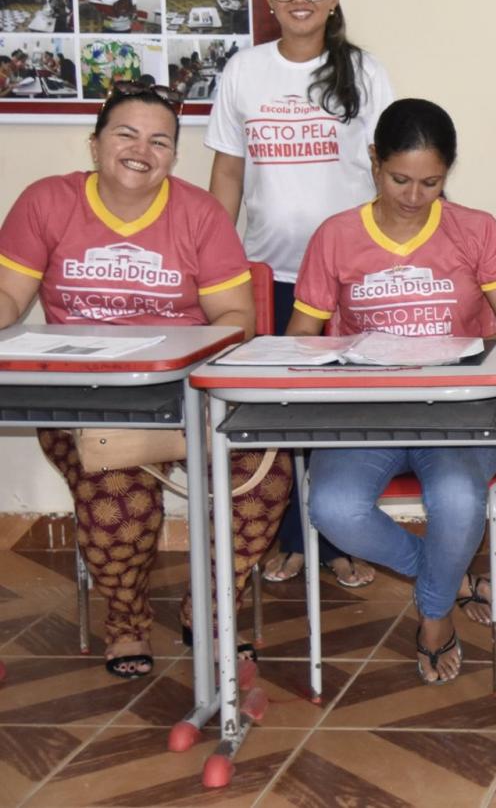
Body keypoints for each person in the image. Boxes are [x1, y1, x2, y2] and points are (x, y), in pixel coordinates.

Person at [0, 83, 290, 679]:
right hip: (82, 399)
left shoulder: (198, 213)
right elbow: (9, 295)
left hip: (181, 393)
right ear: (95, 143)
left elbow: (237, 319)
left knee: (265, 472)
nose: (141, 150)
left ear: (174, 157)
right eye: (125, 135)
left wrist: (179, 362)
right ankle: (125, 618)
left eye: (160, 141)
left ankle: (209, 607)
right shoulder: (46, 202)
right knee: (117, 497)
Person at [292, 98, 496, 684]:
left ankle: (434, 619)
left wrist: (465, 363)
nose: (413, 195)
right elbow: (300, 338)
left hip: (456, 412)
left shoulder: (475, 230)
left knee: (457, 501)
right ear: (374, 161)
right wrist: (348, 355)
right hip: (364, 412)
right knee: (331, 507)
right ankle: (447, 579)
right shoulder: (336, 236)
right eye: (400, 179)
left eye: (432, 182)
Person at [207, 0, 394, 589]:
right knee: (282, 412)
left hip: (347, 280)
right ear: (268, 1)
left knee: (338, 412)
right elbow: (227, 172)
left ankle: (338, 542)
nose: (300, 0)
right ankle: (289, 537)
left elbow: (387, 170)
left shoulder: (365, 72)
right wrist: (213, 260)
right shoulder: (244, 71)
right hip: (268, 276)